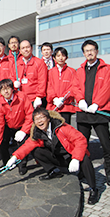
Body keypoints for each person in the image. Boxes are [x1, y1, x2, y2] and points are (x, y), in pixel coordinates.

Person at [6, 107, 99, 205]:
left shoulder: (62, 128)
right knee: (37, 151)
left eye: (42, 117)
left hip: (71, 157)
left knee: (84, 157)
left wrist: (76, 158)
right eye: (36, 119)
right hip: (59, 158)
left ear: (48, 118)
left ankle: (93, 189)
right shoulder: (37, 133)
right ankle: (53, 171)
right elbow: (27, 146)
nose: (40, 121)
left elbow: (81, 140)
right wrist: (14, 157)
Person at [75, 39, 110, 186]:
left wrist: (97, 103)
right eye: (86, 50)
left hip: (99, 113)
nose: (89, 52)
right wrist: (80, 100)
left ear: (96, 51)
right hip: (83, 114)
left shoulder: (106, 69)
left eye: (92, 50)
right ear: (83, 53)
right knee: (82, 145)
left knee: (106, 145)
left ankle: (109, 174)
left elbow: (107, 88)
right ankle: (83, 172)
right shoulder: (79, 70)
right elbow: (74, 87)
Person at [0, 79, 33, 175]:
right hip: (9, 125)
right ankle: (6, 162)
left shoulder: (22, 97)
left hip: (22, 125)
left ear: (12, 89)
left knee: (22, 144)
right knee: (2, 142)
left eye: (8, 88)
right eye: (3, 90)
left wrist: (24, 130)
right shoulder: (0, 104)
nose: (6, 91)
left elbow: (30, 114)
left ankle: (22, 165)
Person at [46, 47, 77, 124]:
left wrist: (63, 99)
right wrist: (54, 99)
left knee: (65, 129)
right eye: (58, 56)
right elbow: (49, 86)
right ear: (54, 58)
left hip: (66, 106)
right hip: (53, 106)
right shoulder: (50, 72)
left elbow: (73, 87)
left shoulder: (72, 71)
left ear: (66, 57)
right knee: (54, 130)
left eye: (63, 55)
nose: (61, 58)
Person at [16, 40, 47, 109]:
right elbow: (12, 77)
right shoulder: (17, 64)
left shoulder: (39, 63)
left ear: (32, 48)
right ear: (20, 51)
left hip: (34, 99)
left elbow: (42, 81)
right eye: (23, 48)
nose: (25, 50)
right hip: (20, 99)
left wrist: (39, 96)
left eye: (27, 47)